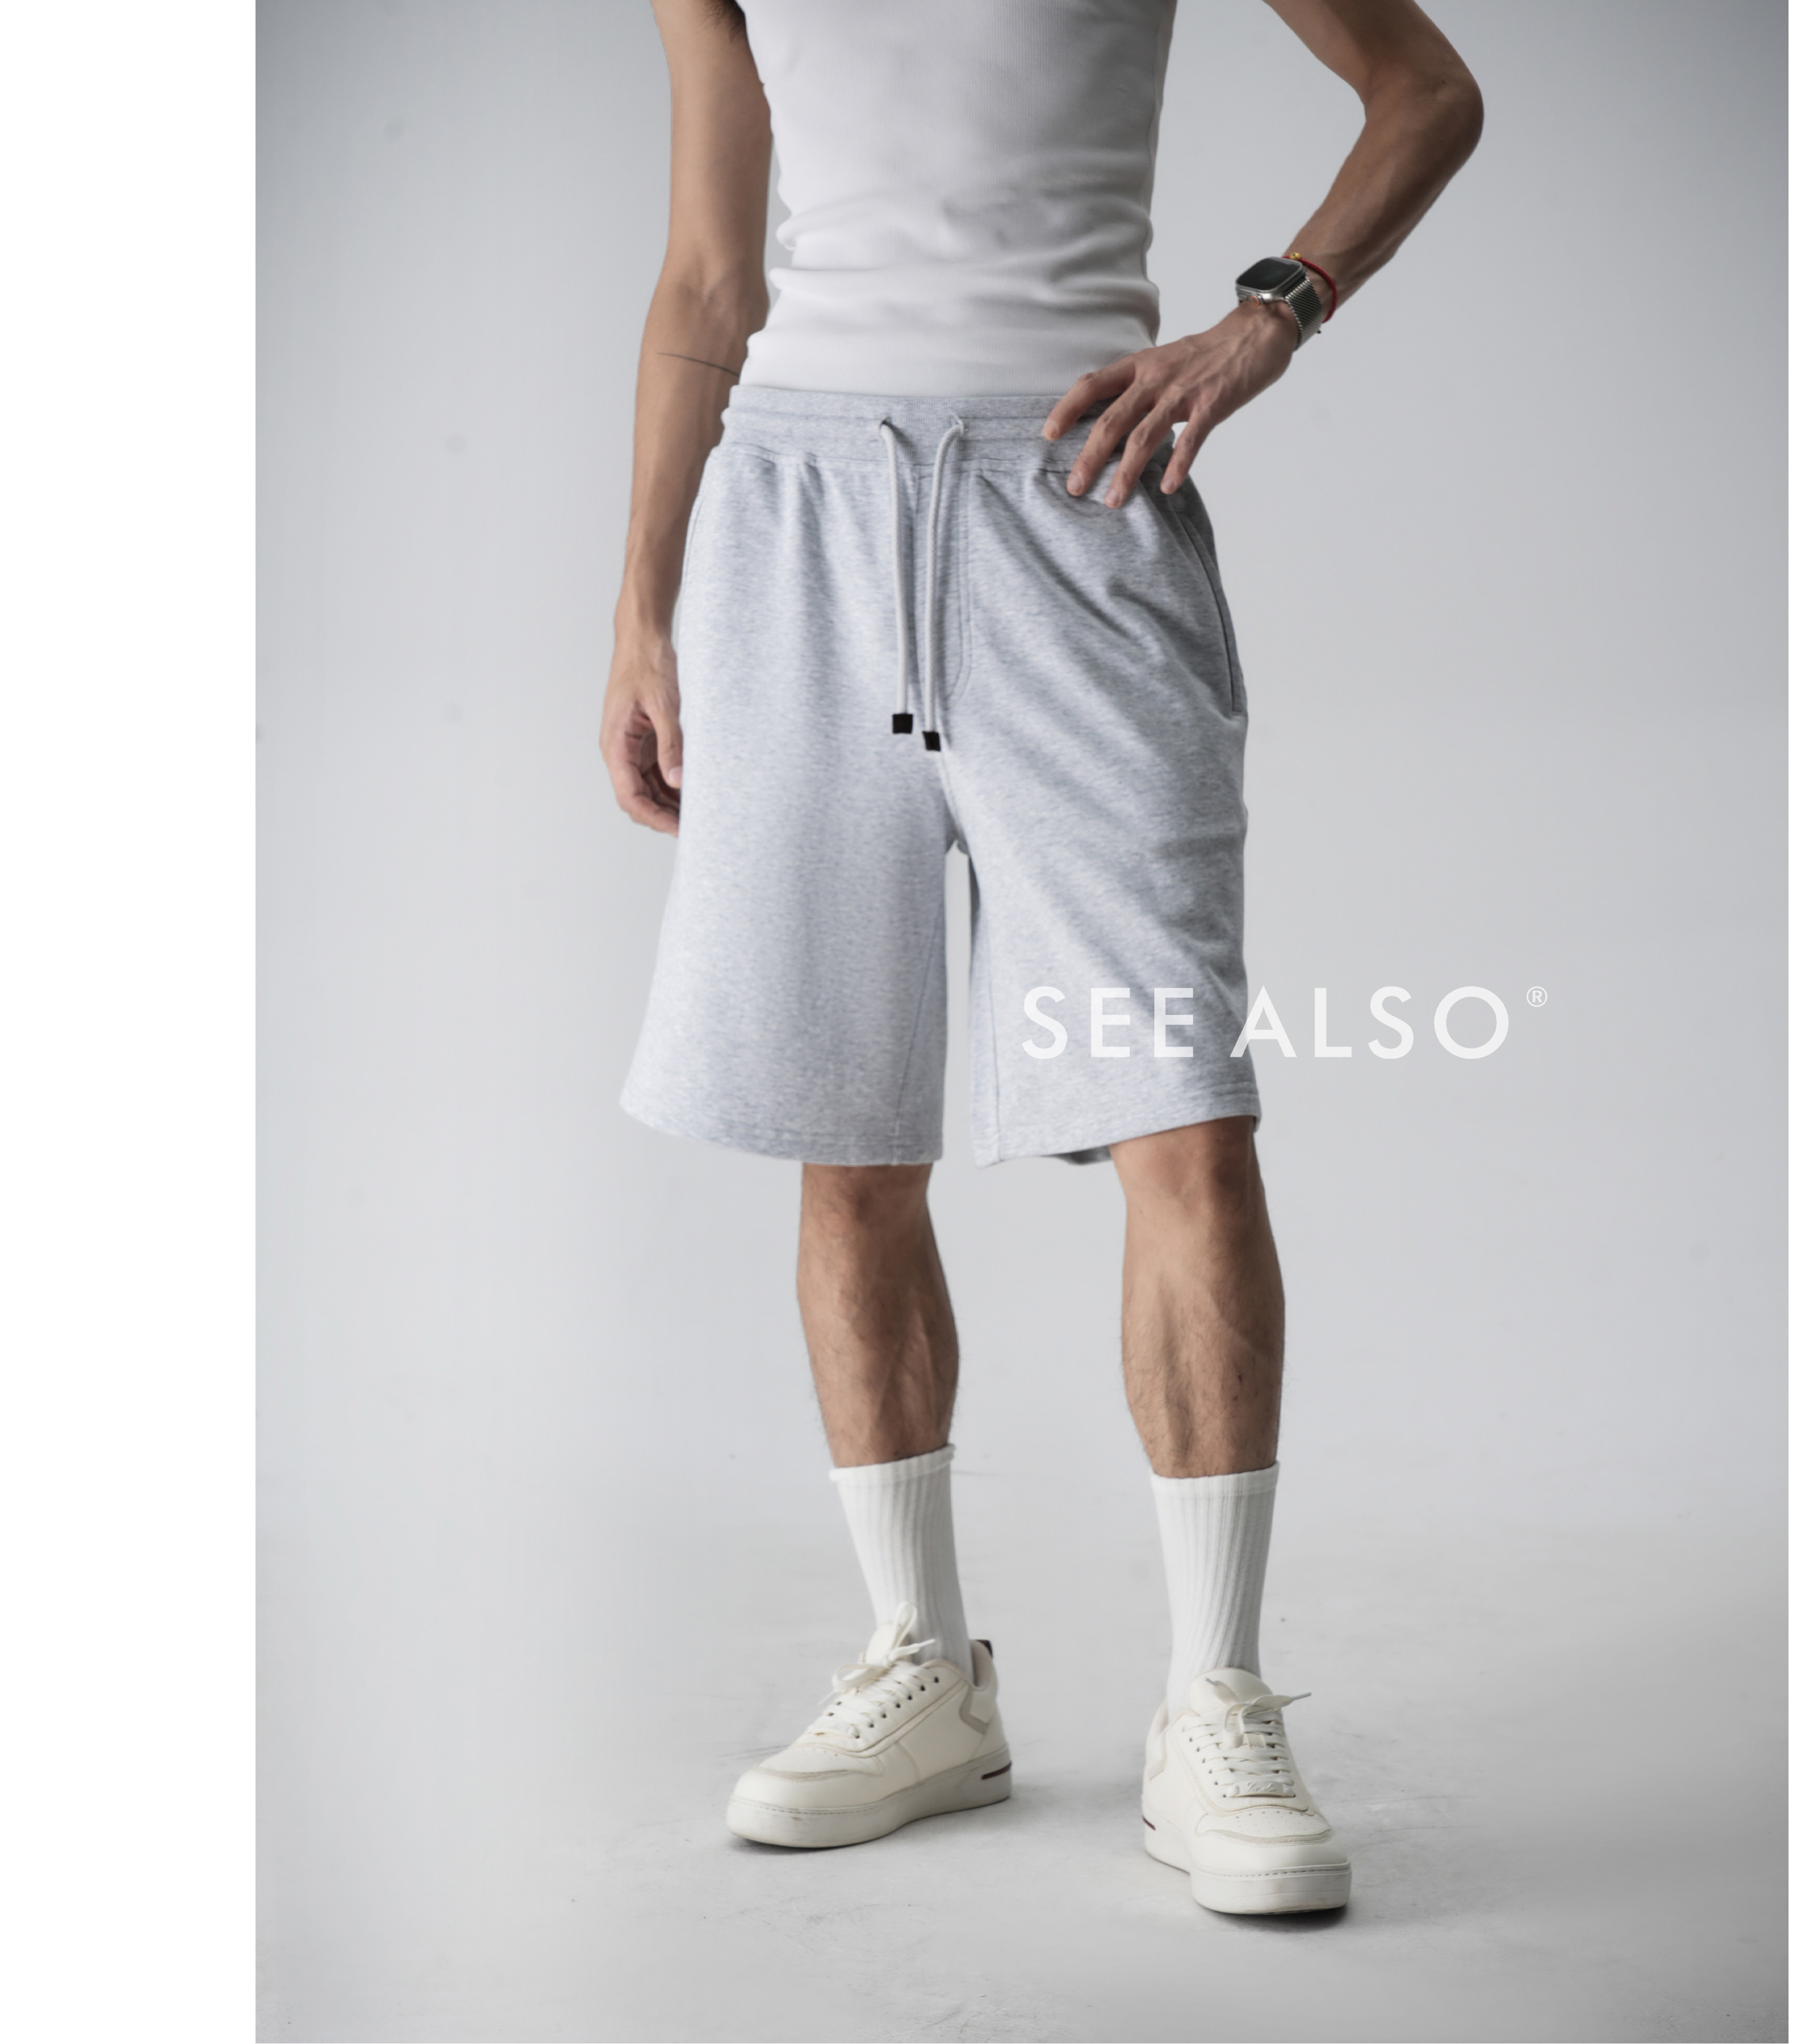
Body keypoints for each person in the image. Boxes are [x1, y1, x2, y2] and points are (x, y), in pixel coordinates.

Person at [599, 0, 1480, 1916]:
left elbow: (1426, 90)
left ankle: (1217, 1697)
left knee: (1185, 1122)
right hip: (790, 517)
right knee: (849, 1125)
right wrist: (643, 604)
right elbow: (710, 273)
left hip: (1077, 503)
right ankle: (924, 1674)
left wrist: (1268, 317)